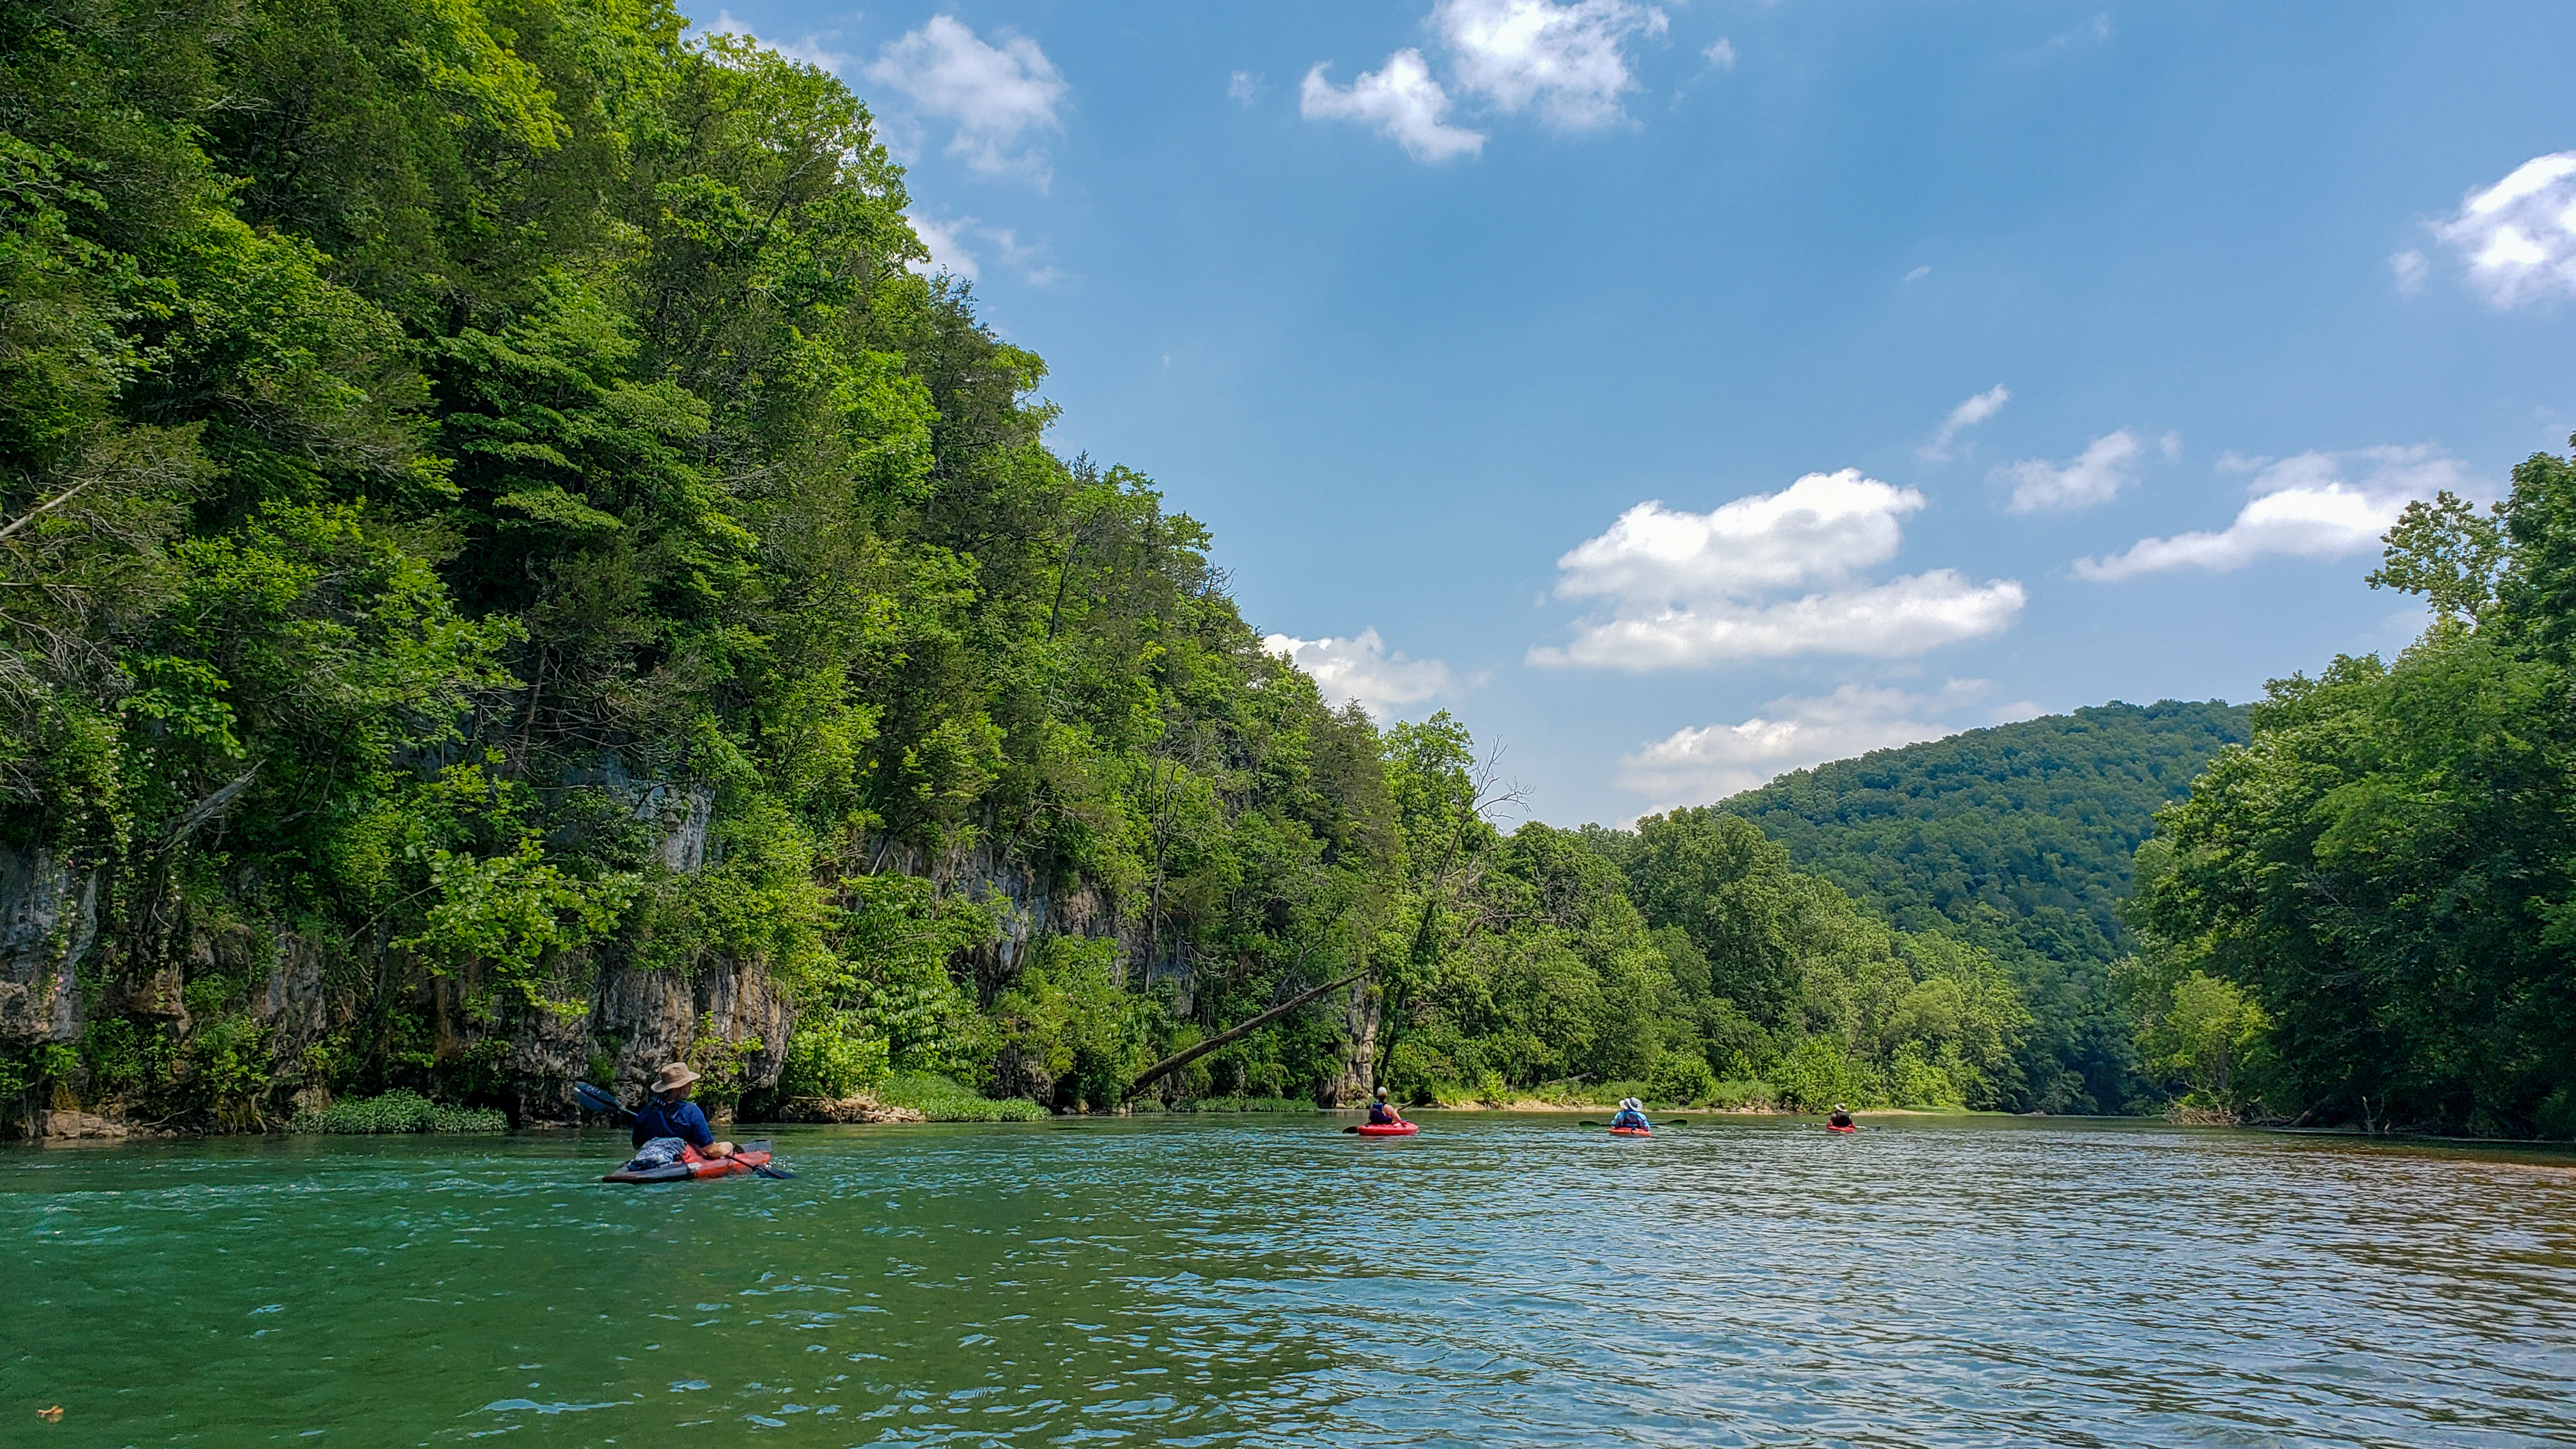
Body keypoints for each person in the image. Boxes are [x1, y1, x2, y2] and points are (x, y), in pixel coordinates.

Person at [632, 1062, 734, 1160]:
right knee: (726, 1144)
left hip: (652, 1159)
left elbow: (637, 1145)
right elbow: (712, 1151)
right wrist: (729, 1146)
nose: (691, 1086)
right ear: (682, 1087)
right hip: (679, 1163)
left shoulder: (647, 1111)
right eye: (689, 1083)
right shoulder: (691, 1111)